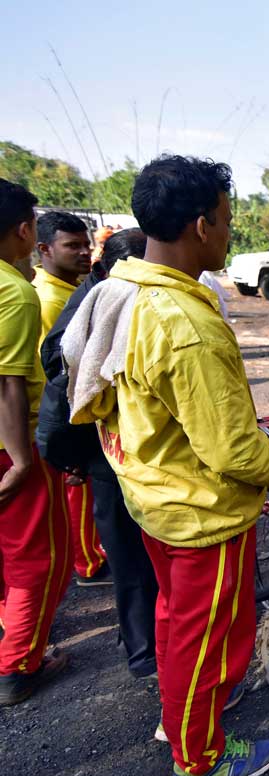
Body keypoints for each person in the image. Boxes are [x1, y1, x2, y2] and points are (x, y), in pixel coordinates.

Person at [61, 155, 269, 776]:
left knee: (176, 623)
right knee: (209, 639)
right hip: (201, 514)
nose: (228, 232)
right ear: (200, 226)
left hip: (154, 496)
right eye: (226, 220)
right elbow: (235, 452)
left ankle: (180, 721)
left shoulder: (125, 288)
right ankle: (198, 762)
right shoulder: (185, 324)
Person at [37, 228, 159, 678]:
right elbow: (66, 384)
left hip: (111, 451)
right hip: (110, 454)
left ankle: (145, 641)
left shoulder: (94, 297)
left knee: (137, 553)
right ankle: (146, 653)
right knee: (131, 555)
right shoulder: (100, 306)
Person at [0, 179, 73, 707]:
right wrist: (23, 460)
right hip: (12, 445)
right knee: (37, 559)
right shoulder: (14, 292)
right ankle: (18, 665)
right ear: (27, 231)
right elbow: (8, 383)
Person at [33, 211, 111, 588]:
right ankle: (88, 562)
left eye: (86, 245)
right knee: (79, 489)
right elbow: (58, 368)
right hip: (62, 409)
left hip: (66, 408)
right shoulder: (49, 300)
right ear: (45, 249)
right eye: (72, 246)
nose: (83, 253)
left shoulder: (69, 289)